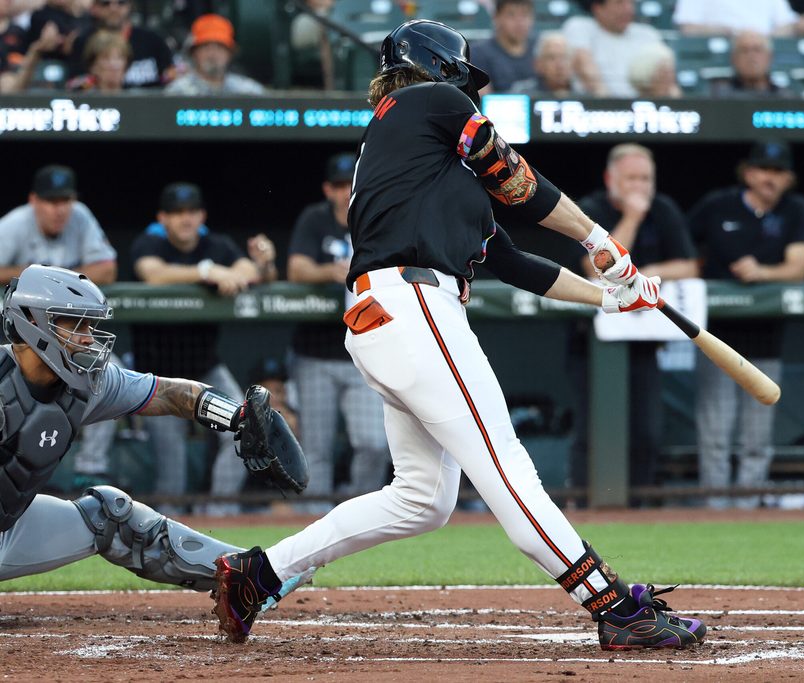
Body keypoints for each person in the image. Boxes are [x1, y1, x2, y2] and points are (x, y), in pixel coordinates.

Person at [210, 19, 706, 651]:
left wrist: (611, 297)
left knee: (421, 499)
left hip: (390, 316)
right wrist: (599, 240)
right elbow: (516, 177)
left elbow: (514, 262)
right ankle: (614, 607)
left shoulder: (425, 169)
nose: (471, 92)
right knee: (505, 465)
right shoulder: (428, 100)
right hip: (414, 305)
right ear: (442, 70)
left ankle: (259, 574)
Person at [0, 264, 247, 593]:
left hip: (9, 530)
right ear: (32, 321)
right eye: (75, 324)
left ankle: (245, 573)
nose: (88, 338)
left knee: (111, 515)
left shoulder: (85, 384)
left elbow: (168, 394)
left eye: (89, 325)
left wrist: (238, 417)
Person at [129, 182, 278, 515]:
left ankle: (217, 514)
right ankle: (166, 528)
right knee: (172, 468)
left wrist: (254, 269)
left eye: (192, 212)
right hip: (158, 375)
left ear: (202, 216)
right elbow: (152, 273)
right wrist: (208, 271)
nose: (186, 219)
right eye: (177, 213)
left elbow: (247, 271)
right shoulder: (150, 242)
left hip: (204, 366)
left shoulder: (215, 244)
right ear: (163, 218)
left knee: (245, 428)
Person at [687, 141, 804, 509]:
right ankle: (714, 510)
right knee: (715, 435)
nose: (769, 178)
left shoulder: (795, 209)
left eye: (778, 172)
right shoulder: (719, 205)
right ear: (747, 172)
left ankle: (747, 513)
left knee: (756, 439)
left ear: (788, 178)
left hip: (766, 339)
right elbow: (681, 247)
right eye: (763, 170)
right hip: (716, 340)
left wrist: (762, 272)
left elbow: (799, 267)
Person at [570, 144, 698, 504]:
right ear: (610, 179)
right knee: (593, 427)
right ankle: (583, 503)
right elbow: (595, 267)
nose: (640, 187)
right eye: (631, 179)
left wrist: (650, 273)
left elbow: (689, 266)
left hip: (643, 339)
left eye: (645, 179)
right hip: (591, 339)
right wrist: (632, 217)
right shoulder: (590, 209)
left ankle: (640, 508)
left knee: (646, 430)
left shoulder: (664, 209)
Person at [0, 165, 119, 488]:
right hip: (21, 336)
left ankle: (91, 468)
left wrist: (55, 279)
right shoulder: (15, 225)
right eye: (51, 201)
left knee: (107, 372)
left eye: (65, 200)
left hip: (67, 332)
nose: (59, 209)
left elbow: (107, 269)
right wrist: (34, 278)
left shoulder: (81, 217)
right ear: (33, 200)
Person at [287, 153, 391, 509]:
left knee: (374, 442)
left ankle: (360, 516)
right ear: (328, 190)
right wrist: (330, 271)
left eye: (352, 184)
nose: (347, 192)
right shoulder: (315, 219)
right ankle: (315, 525)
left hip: (364, 353)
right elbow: (296, 269)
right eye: (340, 185)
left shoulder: (380, 217)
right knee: (315, 450)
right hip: (315, 354)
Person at [563, 0, 665, 97]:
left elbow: (665, 78)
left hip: (643, 105)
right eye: (619, 2)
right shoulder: (579, 27)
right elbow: (584, 67)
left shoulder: (648, 34)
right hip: (596, 104)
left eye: (631, 2)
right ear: (598, 8)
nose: (629, 9)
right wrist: (609, 103)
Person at [68, 0, 176, 89]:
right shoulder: (83, 42)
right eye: (105, 3)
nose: (113, 8)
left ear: (130, 5)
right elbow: (74, 86)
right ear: (94, 7)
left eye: (121, 2)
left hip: (151, 105)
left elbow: (171, 77)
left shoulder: (153, 40)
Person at [164, 14, 263, 95]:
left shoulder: (248, 91)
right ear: (194, 53)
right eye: (206, 47)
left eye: (219, 48)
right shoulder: (177, 92)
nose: (213, 54)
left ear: (230, 54)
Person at [472, 0, 536, 94]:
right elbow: (483, 97)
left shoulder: (541, 50)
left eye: (525, 15)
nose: (520, 22)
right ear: (496, 18)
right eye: (511, 15)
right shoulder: (478, 53)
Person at [709, 31, 795, 98]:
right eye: (744, 50)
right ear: (733, 58)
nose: (751, 56)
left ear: (769, 57)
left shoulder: (785, 98)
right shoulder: (718, 96)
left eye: (757, 50)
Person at [509, 30, 577, 98]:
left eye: (564, 58)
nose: (559, 65)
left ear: (572, 63)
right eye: (551, 58)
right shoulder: (522, 93)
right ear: (538, 64)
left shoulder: (581, 90)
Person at [674, 0, 798, 36]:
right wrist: (722, 31)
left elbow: (787, 26)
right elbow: (687, 27)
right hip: (718, 51)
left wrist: (761, 39)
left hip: (763, 51)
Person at [66, 28, 131, 92]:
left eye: (120, 57)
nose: (114, 65)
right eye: (106, 58)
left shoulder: (134, 91)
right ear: (93, 66)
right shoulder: (78, 92)